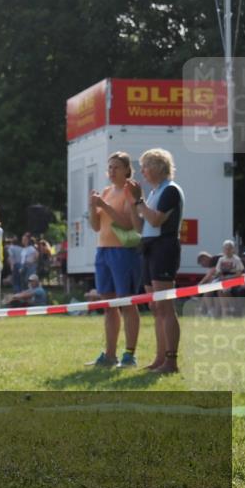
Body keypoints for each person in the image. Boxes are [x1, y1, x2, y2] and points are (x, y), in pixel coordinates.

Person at [128, 148, 184, 374]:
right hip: (149, 247)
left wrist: (139, 201)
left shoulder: (170, 190)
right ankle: (160, 358)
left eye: (146, 166)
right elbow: (140, 227)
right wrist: (133, 203)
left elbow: (156, 220)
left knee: (165, 305)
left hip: (164, 248)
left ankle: (171, 360)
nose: (142, 171)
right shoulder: (153, 193)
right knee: (154, 306)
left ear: (160, 167)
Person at [85, 151, 142, 368]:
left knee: (126, 302)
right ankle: (110, 354)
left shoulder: (130, 190)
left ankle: (130, 354)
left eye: (116, 167)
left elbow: (128, 224)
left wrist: (104, 206)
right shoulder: (108, 191)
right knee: (109, 305)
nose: (111, 171)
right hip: (103, 250)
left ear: (127, 169)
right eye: (109, 167)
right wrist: (93, 207)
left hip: (123, 252)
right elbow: (96, 226)